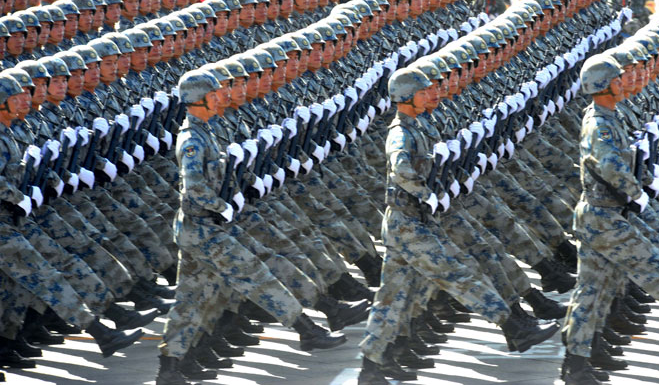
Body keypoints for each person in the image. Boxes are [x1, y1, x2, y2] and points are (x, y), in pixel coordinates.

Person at [357, 66, 558, 385]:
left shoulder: (421, 126)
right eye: (422, 91)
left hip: (414, 221)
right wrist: (426, 194)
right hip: (407, 223)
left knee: (394, 297)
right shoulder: (400, 133)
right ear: (407, 97)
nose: (428, 95)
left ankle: (372, 366)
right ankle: (514, 326)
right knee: (460, 272)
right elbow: (401, 168)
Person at [155, 69, 348, 385]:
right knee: (257, 275)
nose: (220, 98)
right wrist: (223, 207)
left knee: (190, 302)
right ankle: (306, 331)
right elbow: (194, 188)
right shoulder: (191, 140)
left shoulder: (206, 133)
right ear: (198, 100)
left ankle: (170, 369)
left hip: (202, 230)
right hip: (204, 230)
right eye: (213, 94)